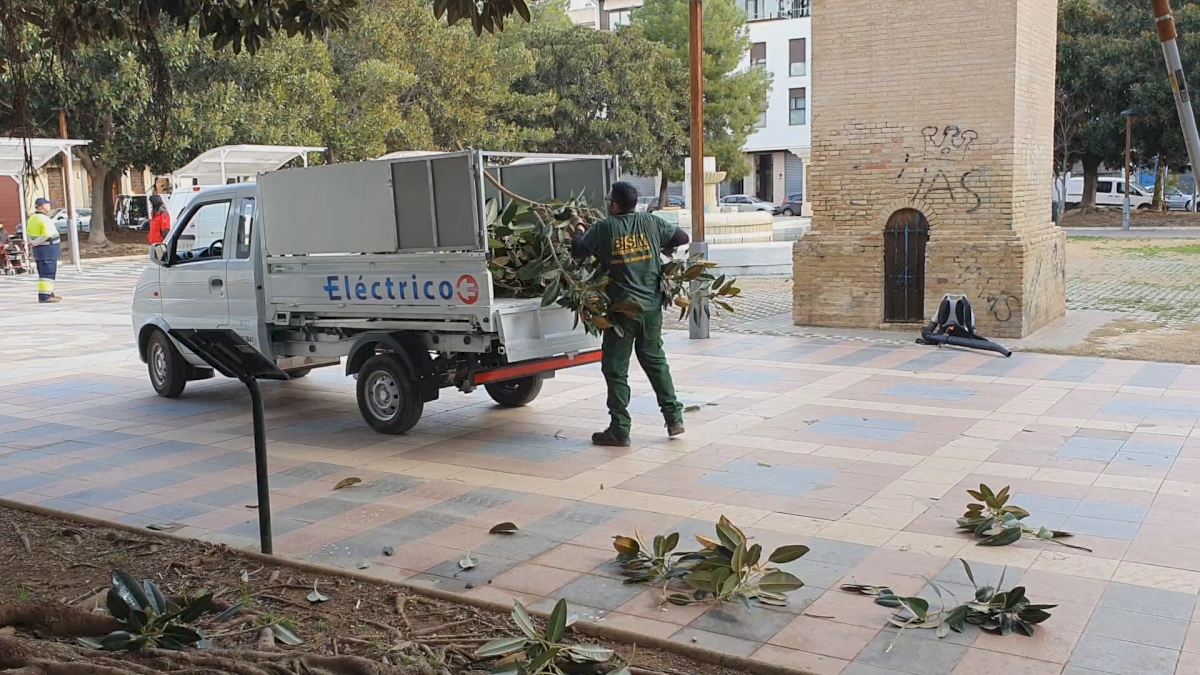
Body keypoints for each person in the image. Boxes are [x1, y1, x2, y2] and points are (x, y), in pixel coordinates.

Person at [572, 182, 690, 447]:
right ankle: (674, 418)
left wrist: (579, 227)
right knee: (656, 362)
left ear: (615, 205)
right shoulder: (651, 222)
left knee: (615, 369)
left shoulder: (604, 228)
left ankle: (620, 429)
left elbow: (578, 251)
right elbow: (682, 238)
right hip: (651, 309)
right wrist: (657, 246)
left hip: (622, 312)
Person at [26, 197, 62, 303]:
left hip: (40, 251)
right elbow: (46, 235)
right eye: (47, 204)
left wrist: (33, 243)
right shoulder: (43, 219)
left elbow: (28, 234)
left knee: (43, 273)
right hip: (48, 250)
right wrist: (36, 242)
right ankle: (45, 296)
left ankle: (48, 293)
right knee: (48, 273)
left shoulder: (32, 218)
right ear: (42, 207)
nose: (49, 206)